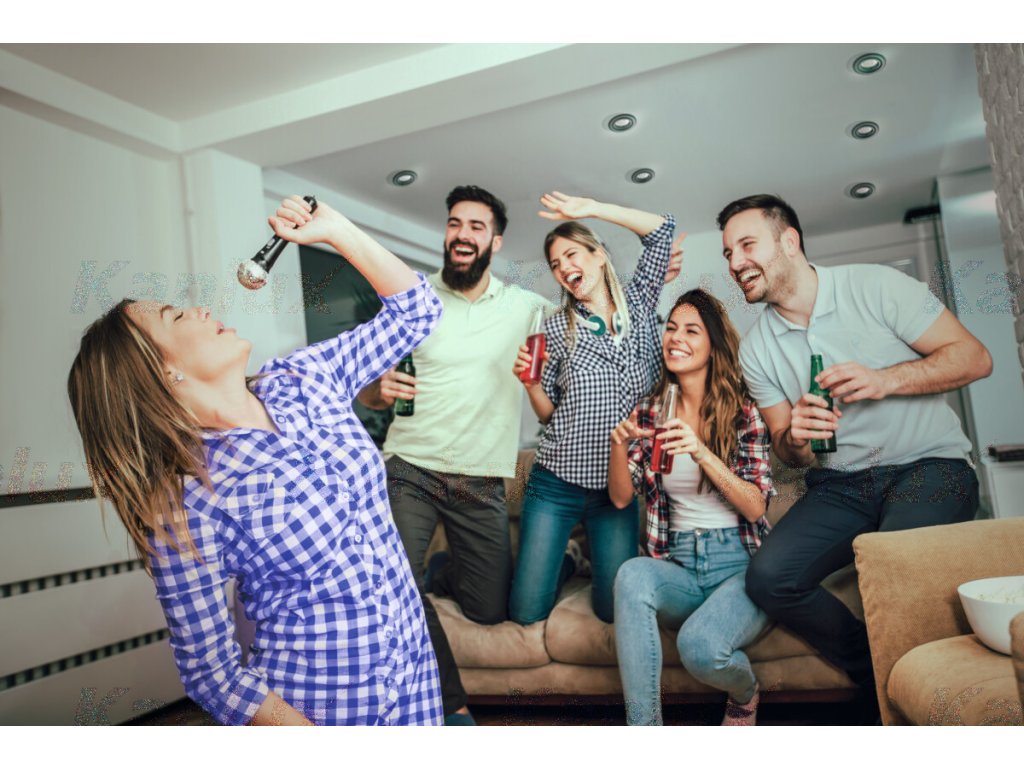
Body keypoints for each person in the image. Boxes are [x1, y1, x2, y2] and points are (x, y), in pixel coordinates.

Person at [66, 196, 444, 726]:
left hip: (416, 685)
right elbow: (212, 674)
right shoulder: (186, 502)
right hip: (326, 713)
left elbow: (418, 312)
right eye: (177, 315)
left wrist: (336, 230)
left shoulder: (302, 378)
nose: (200, 309)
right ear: (162, 372)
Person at [718, 193, 992, 694]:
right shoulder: (755, 350)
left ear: (789, 241)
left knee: (895, 569)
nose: (735, 263)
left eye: (747, 245)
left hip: (930, 467)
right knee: (769, 579)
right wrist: (796, 435)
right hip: (839, 486)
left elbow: (974, 358)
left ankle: (914, 699)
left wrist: (886, 380)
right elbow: (786, 448)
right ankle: (877, 675)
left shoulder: (878, 286)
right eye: (728, 253)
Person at [356, 185, 552, 724]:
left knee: (488, 612)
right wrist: (379, 390)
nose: (462, 235)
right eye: (455, 223)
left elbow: (591, 319)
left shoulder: (526, 307)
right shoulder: (411, 299)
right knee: (394, 583)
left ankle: (442, 571)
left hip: (480, 480)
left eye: (476, 227)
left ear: (495, 242)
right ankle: (452, 706)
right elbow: (367, 389)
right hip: (409, 469)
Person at [509, 191, 681, 625]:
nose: (564, 268)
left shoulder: (640, 303)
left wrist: (592, 210)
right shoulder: (555, 328)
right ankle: (570, 560)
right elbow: (549, 416)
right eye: (555, 264)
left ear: (599, 255)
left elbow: (662, 230)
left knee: (611, 610)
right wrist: (530, 384)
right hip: (556, 482)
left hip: (614, 491)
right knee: (527, 612)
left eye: (572, 254)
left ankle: (588, 562)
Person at [609, 289, 775, 726]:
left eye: (691, 330)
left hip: (741, 567)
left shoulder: (744, 412)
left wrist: (701, 451)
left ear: (713, 344)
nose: (675, 338)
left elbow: (755, 507)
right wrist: (619, 445)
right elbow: (622, 498)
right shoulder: (652, 412)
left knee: (699, 647)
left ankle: (746, 691)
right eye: (671, 328)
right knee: (631, 575)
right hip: (680, 563)